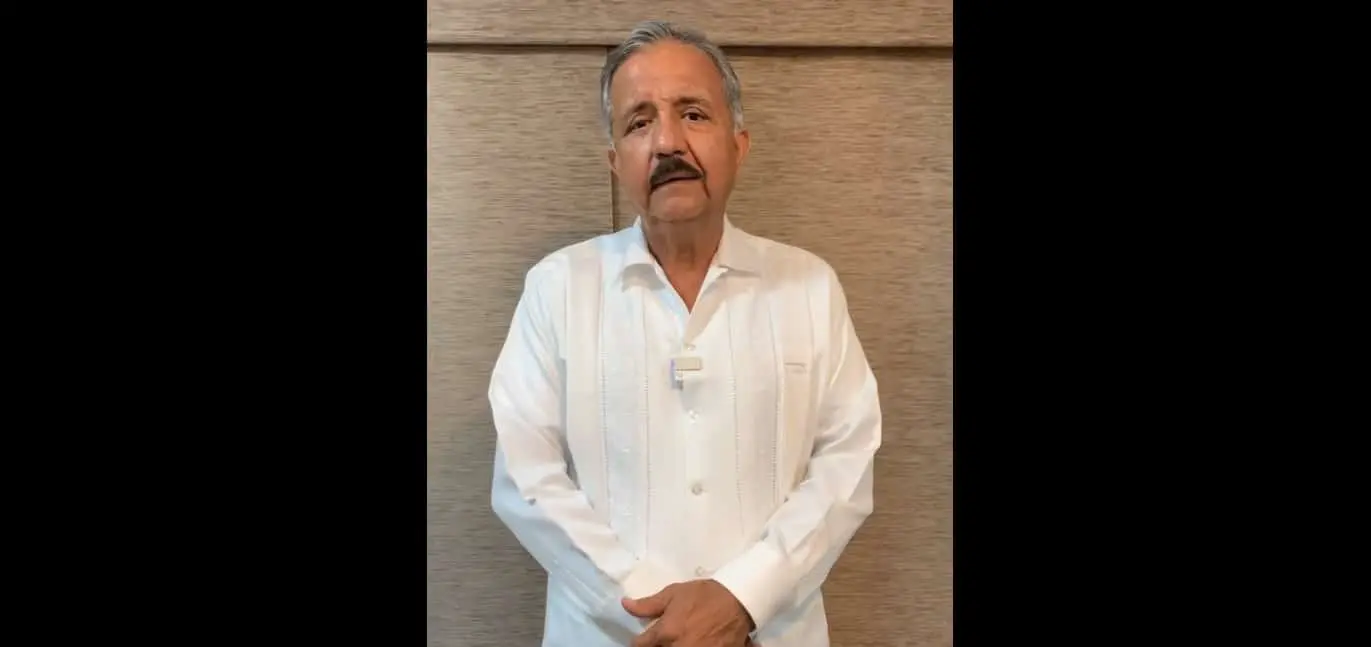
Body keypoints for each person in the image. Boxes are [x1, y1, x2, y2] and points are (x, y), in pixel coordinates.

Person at [488, 20, 882, 647]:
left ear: (739, 144)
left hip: (771, 630)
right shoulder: (557, 289)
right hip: (610, 633)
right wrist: (654, 611)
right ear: (616, 162)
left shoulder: (809, 286)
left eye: (693, 114)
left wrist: (743, 598)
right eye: (638, 123)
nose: (667, 142)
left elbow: (846, 464)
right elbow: (523, 476)